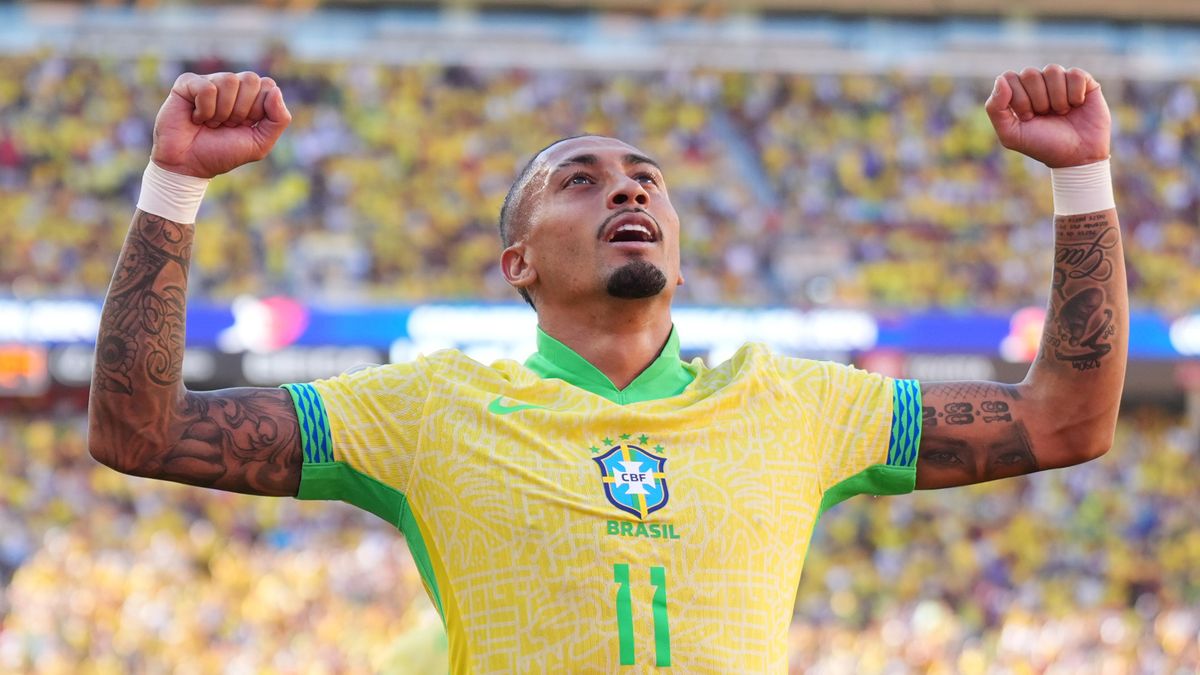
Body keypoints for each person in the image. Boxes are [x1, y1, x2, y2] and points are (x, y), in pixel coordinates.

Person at [88, 65, 1126, 672]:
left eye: (647, 181)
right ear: (519, 263)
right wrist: (175, 186)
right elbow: (141, 433)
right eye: (578, 182)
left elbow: (1066, 418)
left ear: (675, 239)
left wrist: (1081, 176)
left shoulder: (795, 403)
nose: (627, 192)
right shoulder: (427, 409)